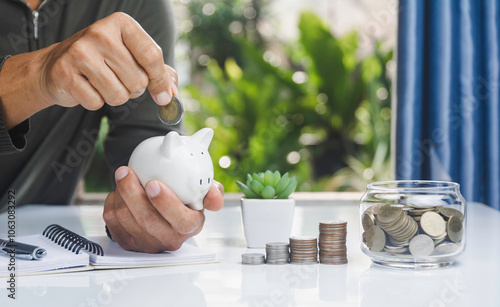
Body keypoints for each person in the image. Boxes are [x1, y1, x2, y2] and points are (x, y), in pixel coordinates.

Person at [0, 0, 224, 253]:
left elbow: (143, 143)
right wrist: (37, 76)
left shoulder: (136, 4)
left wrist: (145, 216)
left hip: (49, 250)